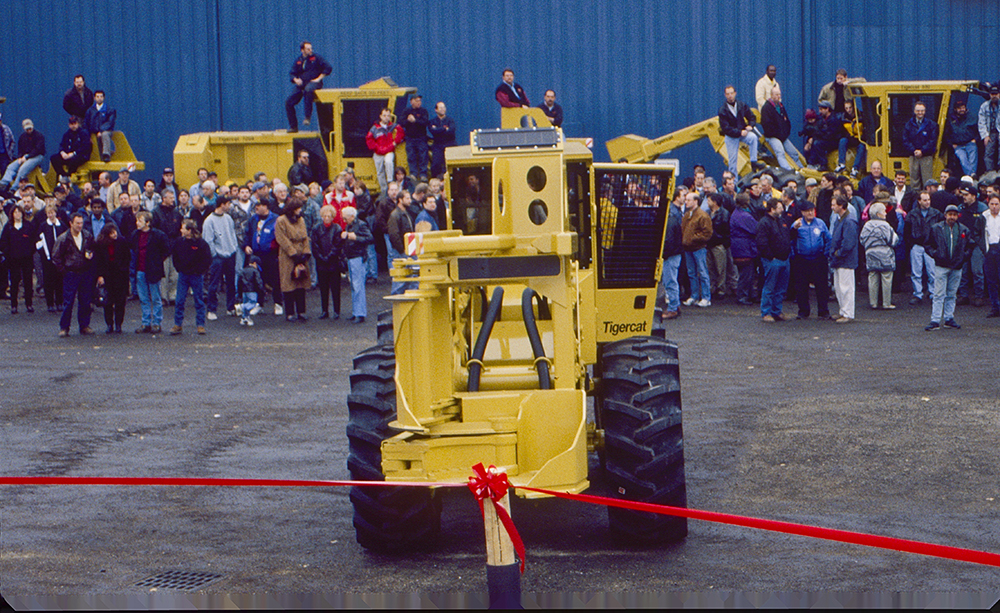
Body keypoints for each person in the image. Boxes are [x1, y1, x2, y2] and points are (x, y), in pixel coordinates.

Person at [925, 205, 971, 330]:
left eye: (954, 215)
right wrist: (936, 255)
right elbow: (928, 244)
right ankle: (935, 319)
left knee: (952, 293)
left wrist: (963, 257)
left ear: (958, 216)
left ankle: (949, 318)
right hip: (941, 265)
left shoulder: (964, 230)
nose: (952, 217)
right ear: (945, 215)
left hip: (957, 266)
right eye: (950, 214)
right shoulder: (936, 228)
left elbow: (969, 246)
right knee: (938, 293)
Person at [52, 212, 97, 337]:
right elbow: (55, 257)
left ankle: (84, 325)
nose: (80, 226)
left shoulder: (87, 236)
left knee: (85, 301)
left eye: (81, 223)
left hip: (85, 272)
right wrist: (64, 271)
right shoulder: (63, 238)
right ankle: (64, 327)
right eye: (77, 223)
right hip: (71, 273)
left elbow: (93, 251)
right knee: (68, 301)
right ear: (71, 223)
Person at [167, 219, 211, 335]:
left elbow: (207, 259)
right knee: (179, 300)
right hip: (183, 274)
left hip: (196, 276)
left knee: (199, 300)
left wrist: (200, 271)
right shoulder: (179, 242)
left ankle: (200, 325)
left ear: (189, 230)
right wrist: (179, 268)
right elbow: (175, 256)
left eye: (183, 228)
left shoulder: (200, 243)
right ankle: (178, 324)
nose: (181, 230)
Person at [789, 200, 831, 319]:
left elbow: (828, 239)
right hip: (802, 260)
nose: (811, 213)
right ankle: (803, 311)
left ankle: (823, 311)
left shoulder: (820, 223)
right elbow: (791, 240)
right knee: (801, 287)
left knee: (822, 287)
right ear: (802, 212)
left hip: (818, 259)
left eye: (812, 210)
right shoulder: (797, 224)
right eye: (808, 211)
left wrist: (825, 254)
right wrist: (794, 256)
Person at [130, 211, 170, 334]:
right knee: (143, 298)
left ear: (147, 223)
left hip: (153, 270)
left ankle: (157, 322)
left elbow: (166, 250)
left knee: (156, 297)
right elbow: (132, 249)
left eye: (140, 221)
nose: (137, 223)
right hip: (140, 269)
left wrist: (157, 262)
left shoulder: (158, 235)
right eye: (137, 220)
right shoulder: (135, 234)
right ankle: (146, 322)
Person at [274, 197, 311, 321]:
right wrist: (293, 254)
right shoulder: (281, 220)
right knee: (288, 283)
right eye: (298, 208)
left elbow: (305, 237)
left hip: (301, 252)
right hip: (288, 255)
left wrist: (305, 253)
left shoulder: (301, 220)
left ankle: (301, 311)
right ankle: (290, 312)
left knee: (301, 282)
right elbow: (281, 239)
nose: (300, 210)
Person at [203, 196, 239, 320]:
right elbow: (208, 240)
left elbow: (232, 234)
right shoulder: (209, 221)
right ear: (222, 204)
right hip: (217, 257)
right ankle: (211, 309)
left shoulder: (228, 218)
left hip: (230, 254)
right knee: (214, 283)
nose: (229, 206)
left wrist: (233, 248)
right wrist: (215, 254)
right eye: (228, 204)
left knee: (231, 282)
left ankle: (230, 307)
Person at [904, 190, 943, 305]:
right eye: (925, 200)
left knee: (932, 271)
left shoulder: (936, 214)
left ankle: (932, 293)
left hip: (930, 245)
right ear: (919, 201)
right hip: (916, 245)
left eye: (929, 200)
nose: (927, 202)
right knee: (916, 271)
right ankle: (917, 294)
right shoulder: (912, 214)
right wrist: (911, 243)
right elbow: (907, 230)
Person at [755, 199, 791, 322]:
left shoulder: (782, 221)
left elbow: (787, 236)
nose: (782, 209)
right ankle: (766, 312)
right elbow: (761, 243)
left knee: (781, 288)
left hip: (784, 259)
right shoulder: (764, 223)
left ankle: (777, 311)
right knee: (769, 287)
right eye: (780, 207)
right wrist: (770, 256)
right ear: (772, 209)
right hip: (772, 260)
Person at [860, 202, 900, 309]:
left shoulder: (867, 225)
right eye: (883, 211)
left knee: (872, 277)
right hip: (885, 256)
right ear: (878, 214)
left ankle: (873, 302)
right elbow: (893, 240)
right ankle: (886, 303)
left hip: (870, 254)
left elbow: (862, 239)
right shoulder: (885, 225)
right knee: (886, 278)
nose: (885, 213)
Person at [246, 199, 283, 314]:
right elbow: (247, 234)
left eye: (260, 205)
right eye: (256, 205)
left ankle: (278, 304)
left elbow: (280, 235)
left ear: (266, 206)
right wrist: (246, 246)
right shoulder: (253, 219)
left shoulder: (276, 219)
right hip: (257, 254)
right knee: (258, 279)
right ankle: (259, 304)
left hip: (271, 254)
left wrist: (274, 247)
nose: (257, 207)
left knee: (275, 279)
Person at [285, 41, 331, 132]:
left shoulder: (316, 58)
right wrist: (295, 79)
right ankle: (293, 127)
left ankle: (307, 117)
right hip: (302, 84)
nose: (310, 50)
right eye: (308, 49)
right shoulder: (299, 61)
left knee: (308, 90)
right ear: (302, 50)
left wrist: (318, 79)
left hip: (314, 83)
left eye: (311, 48)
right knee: (288, 102)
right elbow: (292, 73)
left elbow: (328, 67)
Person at [93, 223, 130, 334]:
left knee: (120, 301)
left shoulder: (122, 242)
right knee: (108, 301)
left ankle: (119, 324)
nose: (115, 235)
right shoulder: (100, 244)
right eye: (112, 233)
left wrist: (123, 269)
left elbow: (127, 257)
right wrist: (99, 275)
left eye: (115, 232)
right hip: (107, 275)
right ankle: (109, 324)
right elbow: (98, 261)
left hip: (120, 274)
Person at [0, 204, 36, 313]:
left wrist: (30, 252)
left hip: (27, 259)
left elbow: (33, 240)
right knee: (14, 282)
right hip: (13, 260)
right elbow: (3, 242)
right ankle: (14, 305)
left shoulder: (28, 226)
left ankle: (29, 304)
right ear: (12, 214)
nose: (17, 214)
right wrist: (8, 253)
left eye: (19, 212)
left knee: (28, 282)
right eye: (15, 212)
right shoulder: (8, 227)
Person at [680, 191, 713, 308]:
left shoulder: (703, 216)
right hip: (688, 248)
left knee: (703, 273)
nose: (686, 202)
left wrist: (692, 238)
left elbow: (707, 233)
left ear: (695, 201)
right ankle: (694, 296)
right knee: (691, 273)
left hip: (698, 248)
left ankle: (706, 297)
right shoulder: (687, 214)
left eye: (688, 200)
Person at [829, 195, 859, 323]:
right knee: (839, 287)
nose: (832, 207)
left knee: (846, 287)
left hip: (845, 260)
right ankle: (843, 311)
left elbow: (849, 242)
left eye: (834, 204)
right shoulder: (839, 219)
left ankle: (848, 313)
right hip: (839, 259)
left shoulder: (849, 221)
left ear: (841, 205)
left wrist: (838, 253)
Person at [956, 184, 987, 306]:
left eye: (966, 195)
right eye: (963, 194)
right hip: (964, 244)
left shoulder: (982, 209)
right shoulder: (960, 208)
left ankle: (979, 296)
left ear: (974, 196)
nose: (964, 197)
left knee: (977, 270)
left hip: (977, 244)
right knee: (963, 271)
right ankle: (964, 295)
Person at [340, 206, 372, 323]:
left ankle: (360, 313)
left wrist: (355, 237)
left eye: (345, 218)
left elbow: (370, 238)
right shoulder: (351, 225)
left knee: (357, 285)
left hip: (358, 257)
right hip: (352, 257)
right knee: (354, 285)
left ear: (351, 216)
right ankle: (356, 311)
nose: (344, 221)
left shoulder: (361, 225)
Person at [718, 85, 759, 176]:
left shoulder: (741, 105)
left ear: (735, 93)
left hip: (742, 133)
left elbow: (752, 117)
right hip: (731, 137)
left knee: (753, 138)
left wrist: (750, 126)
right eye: (728, 94)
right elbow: (726, 128)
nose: (730, 95)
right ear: (725, 95)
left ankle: (754, 162)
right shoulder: (722, 110)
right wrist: (739, 132)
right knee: (732, 162)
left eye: (731, 93)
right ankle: (734, 183)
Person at [311, 204, 343, 320]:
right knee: (323, 288)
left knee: (335, 288)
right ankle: (324, 310)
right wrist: (320, 257)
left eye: (329, 216)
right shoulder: (316, 228)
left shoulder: (337, 228)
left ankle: (336, 311)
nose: (327, 218)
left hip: (333, 262)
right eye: (325, 216)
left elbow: (337, 245)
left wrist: (329, 256)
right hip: (321, 262)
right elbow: (314, 245)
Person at [760, 85, 801, 171]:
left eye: (779, 94)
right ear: (771, 95)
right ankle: (787, 171)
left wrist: (785, 133)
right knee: (780, 152)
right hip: (772, 137)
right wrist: (778, 134)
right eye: (776, 94)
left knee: (793, 153)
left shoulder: (781, 107)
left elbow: (787, 122)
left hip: (783, 137)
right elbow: (767, 126)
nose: (778, 96)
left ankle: (801, 169)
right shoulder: (766, 108)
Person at [0, 120, 45, 196]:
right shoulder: (22, 137)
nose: (29, 130)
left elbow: (38, 150)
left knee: (22, 169)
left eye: (30, 128)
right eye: (27, 129)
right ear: (24, 128)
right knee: (11, 167)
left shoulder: (39, 136)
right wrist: (20, 157)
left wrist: (27, 156)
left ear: (33, 126)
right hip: (25, 157)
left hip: (37, 156)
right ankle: (3, 184)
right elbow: (20, 149)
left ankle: (13, 189)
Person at [366, 108, 404, 193]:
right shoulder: (374, 128)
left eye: (388, 116)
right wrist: (376, 147)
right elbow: (369, 140)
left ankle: (390, 181)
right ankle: (384, 191)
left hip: (389, 150)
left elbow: (401, 132)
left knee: (388, 162)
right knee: (380, 172)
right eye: (384, 115)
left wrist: (395, 143)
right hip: (378, 152)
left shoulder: (393, 126)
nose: (386, 117)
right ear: (380, 116)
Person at [902, 101, 938, 190]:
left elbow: (932, 140)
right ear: (914, 111)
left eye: (922, 110)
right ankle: (915, 199)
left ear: (925, 111)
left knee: (927, 181)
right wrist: (914, 150)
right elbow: (905, 140)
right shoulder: (908, 125)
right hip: (913, 156)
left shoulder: (931, 125)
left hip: (926, 156)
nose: (920, 112)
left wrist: (922, 151)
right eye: (918, 110)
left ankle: (927, 199)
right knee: (914, 181)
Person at [37, 203, 67, 312]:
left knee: (60, 280)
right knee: (48, 280)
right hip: (48, 258)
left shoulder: (62, 225)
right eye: (48, 213)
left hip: (60, 258)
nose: (51, 215)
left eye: (52, 212)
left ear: (55, 212)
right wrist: (44, 254)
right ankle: (50, 303)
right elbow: (39, 242)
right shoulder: (43, 226)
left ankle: (60, 302)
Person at [386, 188, 416, 295]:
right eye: (407, 198)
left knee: (409, 277)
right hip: (401, 252)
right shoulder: (395, 215)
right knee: (400, 280)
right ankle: (397, 303)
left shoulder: (405, 213)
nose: (410, 201)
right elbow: (394, 235)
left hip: (408, 250)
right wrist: (402, 249)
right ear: (400, 200)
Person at [659, 191, 684, 319]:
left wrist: (663, 255)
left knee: (670, 281)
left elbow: (668, 241)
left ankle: (673, 308)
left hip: (670, 256)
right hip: (675, 254)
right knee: (672, 280)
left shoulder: (668, 221)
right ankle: (676, 305)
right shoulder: (673, 218)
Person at [943, 97, 978, 178]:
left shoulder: (972, 117)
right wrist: (951, 144)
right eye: (959, 108)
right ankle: (971, 176)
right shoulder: (950, 119)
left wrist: (975, 139)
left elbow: (978, 130)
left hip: (970, 143)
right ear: (955, 109)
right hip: (958, 146)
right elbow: (946, 134)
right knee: (963, 160)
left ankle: (970, 176)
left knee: (973, 161)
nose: (961, 109)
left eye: (963, 107)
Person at [401, 95, 429, 181]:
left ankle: (423, 174)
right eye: (417, 101)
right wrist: (408, 121)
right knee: (411, 157)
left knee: (423, 156)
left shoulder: (423, 111)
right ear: (411, 102)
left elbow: (425, 122)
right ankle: (413, 174)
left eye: (420, 101)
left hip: (421, 138)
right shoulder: (407, 111)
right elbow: (401, 123)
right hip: (410, 138)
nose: (419, 102)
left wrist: (415, 121)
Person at [84, 90, 116, 163]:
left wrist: (101, 131)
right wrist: (88, 136)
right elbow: (86, 123)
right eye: (97, 96)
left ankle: (106, 155)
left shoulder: (110, 110)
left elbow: (110, 122)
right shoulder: (90, 111)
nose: (99, 98)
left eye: (101, 96)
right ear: (94, 98)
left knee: (105, 135)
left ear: (104, 98)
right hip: (93, 132)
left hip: (106, 131)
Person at [981, 194, 1000, 318]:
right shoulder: (983, 216)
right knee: (991, 280)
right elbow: (978, 233)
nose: (994, 207)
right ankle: (995, 307)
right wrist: (983, 247)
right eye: (992, 204)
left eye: (996, 204)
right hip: (989, 250)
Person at [837, 100, 866, 177]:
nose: (848, 110)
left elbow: (866, 129)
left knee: (862, 147)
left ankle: (855, 168)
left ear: (853, 107)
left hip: (860, 139)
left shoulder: (861, 116)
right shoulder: (843, 118)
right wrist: (849, 137)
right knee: (842, 141)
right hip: (850, 138)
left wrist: (862, 137)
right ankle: (841, 164)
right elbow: (842, 131)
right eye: (846, 108)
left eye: (850, 107)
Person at [237, 255, 264, 326]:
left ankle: (245, 318)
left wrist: (239, 292)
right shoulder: (255, 271)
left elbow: (239, 282)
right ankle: (241, 307)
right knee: (253, 303)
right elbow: (258, 282)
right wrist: (262, 290)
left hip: (244, 291)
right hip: (252, 290)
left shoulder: (243, 270)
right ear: (255, 263)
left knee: (246, 301)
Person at [979, 85, 1000, 173]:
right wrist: (985, 135)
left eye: (996, 94)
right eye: (992, 94)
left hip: (999, 131)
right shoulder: (984, 106)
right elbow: (981, 122)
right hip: (989, 132)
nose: (994, 96)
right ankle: (989, 172)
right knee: (988, 153)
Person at [0, 113, 16, 177]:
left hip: (4, 155)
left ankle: (5, 187)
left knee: (4, 172)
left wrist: (10, 152)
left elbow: (12, 141)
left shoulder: (6, 129)